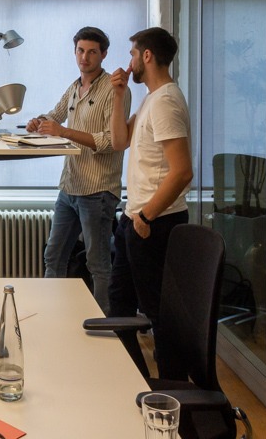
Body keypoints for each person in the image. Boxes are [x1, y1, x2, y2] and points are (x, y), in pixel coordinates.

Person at [27, 26, 131, 314]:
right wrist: (39, 121)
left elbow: (112, 142)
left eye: (92, 52)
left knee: (98, 264)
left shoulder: (115, 89)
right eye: (80, 51)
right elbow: (55, 114)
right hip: (70, 186)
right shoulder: (75, 87)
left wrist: (64, 131)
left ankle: (105, 328)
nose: (84, 57)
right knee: (53, 256)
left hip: (97, 190)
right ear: (74, 52)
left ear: (104, 54)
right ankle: (53, 315)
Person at [108, 27, 193, 378]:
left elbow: (183, 171)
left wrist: (145, 215)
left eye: (132, 54)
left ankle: (174, 392)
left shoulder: (167, 102)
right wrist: (117, 96)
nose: (128, 62)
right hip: (136, 219)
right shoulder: (151, 99)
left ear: (146, 56)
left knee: (159, 312)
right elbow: (118, 141)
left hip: (154, 223)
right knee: (119, 305)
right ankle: (134, 380)